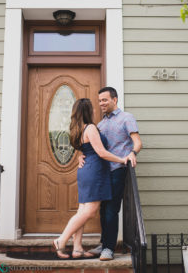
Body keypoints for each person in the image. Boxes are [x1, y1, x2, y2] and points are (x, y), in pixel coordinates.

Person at [52, 98, 129, 259]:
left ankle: (78, 248)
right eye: (92, 108)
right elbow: (101, 152)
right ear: (88, 111)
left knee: (83, 210)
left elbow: (86, 149)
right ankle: (61, 239)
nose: (95, 110)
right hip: (95, 171)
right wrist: (122, 159)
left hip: (86, 171)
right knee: (90, 211)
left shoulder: (77, 129)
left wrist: (82, 156)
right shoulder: (91, 128)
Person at [79, 87, 142, 261]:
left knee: (111, 210)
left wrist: (132, 153)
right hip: (101, 173)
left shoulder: (126, 118)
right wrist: (80, 155)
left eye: (105, 100)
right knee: (102, 210)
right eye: (99, 101)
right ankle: (104, 243)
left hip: (117, 170)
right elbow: (92, 146)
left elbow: (137, 142)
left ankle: (108, 248)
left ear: (115, 100)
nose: (101, 104)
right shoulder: (100, 124)